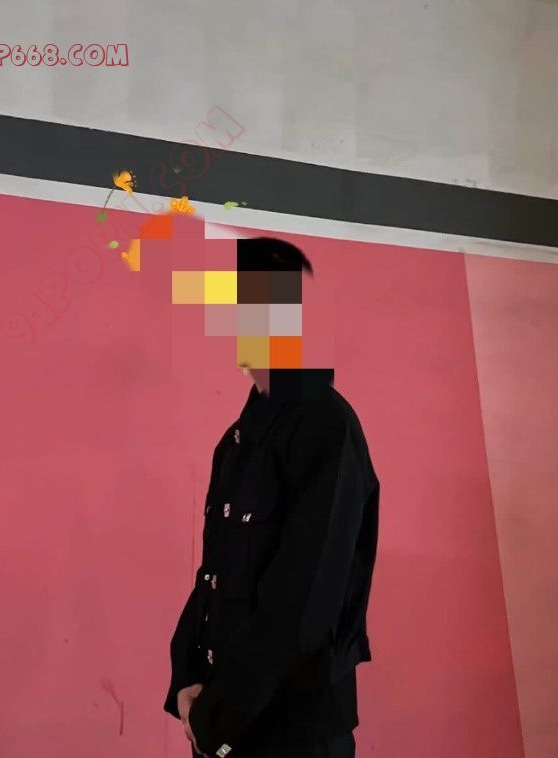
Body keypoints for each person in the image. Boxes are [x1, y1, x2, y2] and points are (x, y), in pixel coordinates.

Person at [164, 237, 380, 757]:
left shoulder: (326, 428)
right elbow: (214, 578)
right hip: (226, 724)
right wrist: (187, 678)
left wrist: (216, 717)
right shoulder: (237, 442)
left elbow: (301, 605)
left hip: (292, 734)